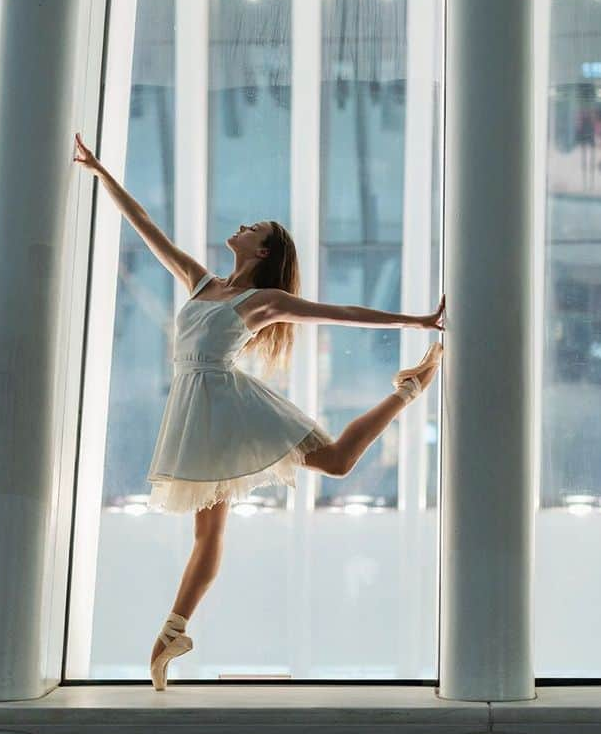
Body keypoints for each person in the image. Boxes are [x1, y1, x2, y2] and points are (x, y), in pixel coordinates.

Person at [73, 132, 445, 689]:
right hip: (197, 410)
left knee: (339, 462)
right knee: (207, 532)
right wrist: (102, 175)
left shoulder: (262, 302)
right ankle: (173, 632)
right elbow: (147, 225)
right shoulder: (201, 282)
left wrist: (413, 322)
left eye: (254, 229)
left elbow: (338, 312)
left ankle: (411, 386)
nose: (243, 227)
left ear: (263, 251)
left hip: (228, 402)